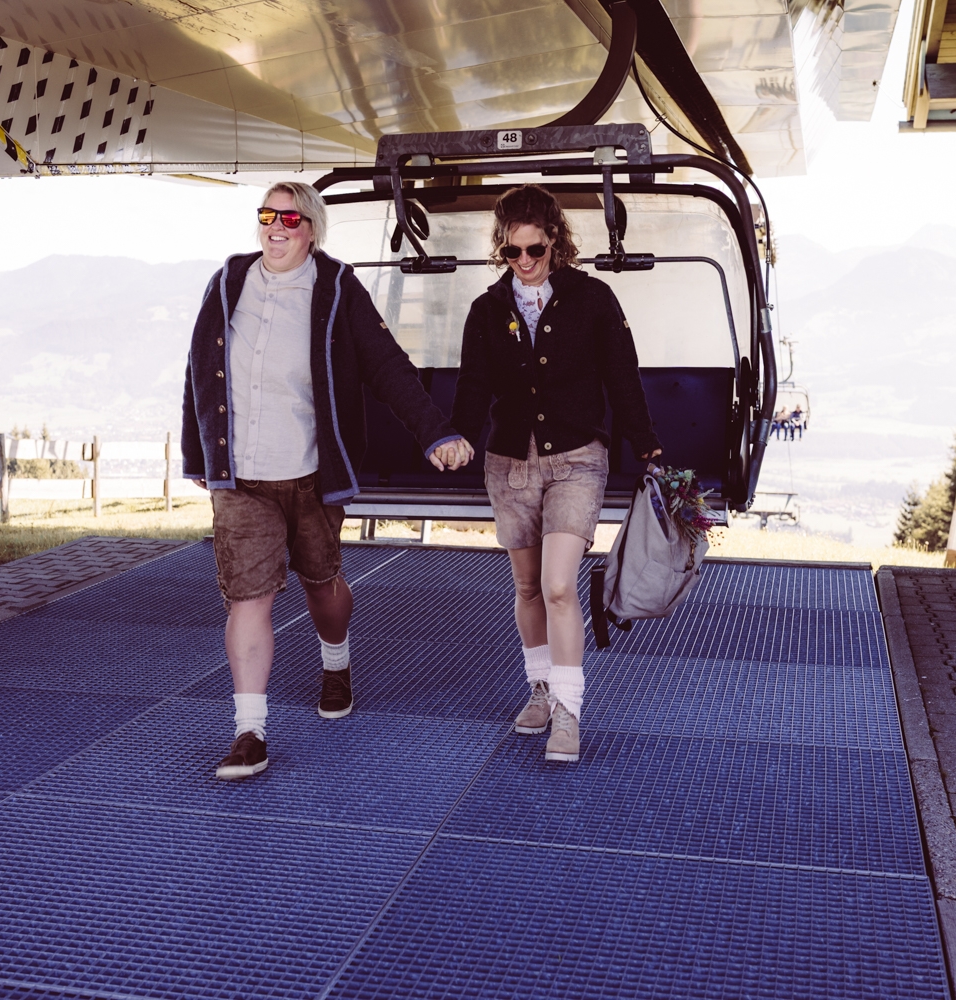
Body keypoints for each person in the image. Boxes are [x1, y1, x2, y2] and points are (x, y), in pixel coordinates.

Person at [182, 181, 474, 780]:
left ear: (312, 228)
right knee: (247, 597)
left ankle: (335, 661)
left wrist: (434, 432)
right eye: (268, 214)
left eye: (291, 217)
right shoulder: (227, 282)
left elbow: (386, 364)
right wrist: (200, 459)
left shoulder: (337, 286)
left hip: (311, 473)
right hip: (242, 478)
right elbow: (198, 372)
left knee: (322, 585)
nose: (277, 226)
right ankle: (249, 732)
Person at [451, 185, 660, 763]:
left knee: (559, 585)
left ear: (556, 244)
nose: (524, 262)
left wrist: (647, 447)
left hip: (576, 458)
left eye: (535, 250)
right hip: (509, 464)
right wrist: (454, 438)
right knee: (526, 587)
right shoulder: (486, 310)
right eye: (512, 252)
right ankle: (539, 689)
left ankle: (568, 711)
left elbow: (623, 378)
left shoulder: (594, 299)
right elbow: (473, 389)